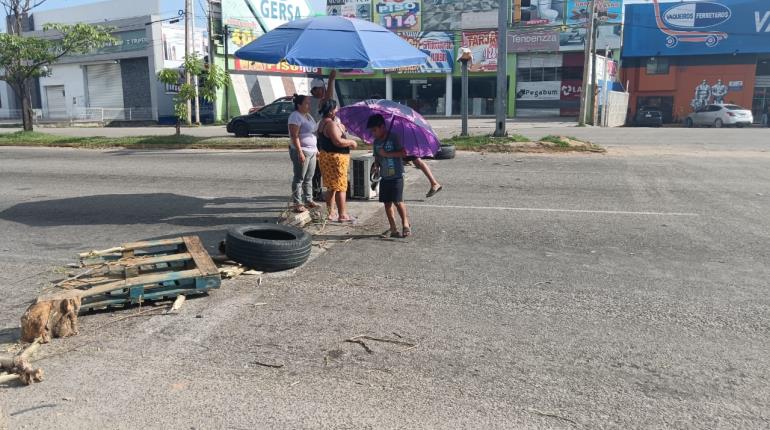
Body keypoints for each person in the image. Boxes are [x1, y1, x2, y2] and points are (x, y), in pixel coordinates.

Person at [368, 114, 411, 238]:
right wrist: (376, 165)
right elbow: (377, 156)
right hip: (385, 177)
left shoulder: (393, 138)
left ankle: (405, 223)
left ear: (382, 127)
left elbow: (403, 153)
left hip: (397, 176)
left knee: (398, 201)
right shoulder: (376, 142)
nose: (373, 133)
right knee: (387, 203)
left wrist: (387, 154)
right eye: (372, 131)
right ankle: (393, 227)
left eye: (375, 130)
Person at [317, 99, 358, 222]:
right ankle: (342, 215)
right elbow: (338, 141)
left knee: (332, 187)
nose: (337, 110)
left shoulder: (323, 122)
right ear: (330, 111)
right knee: (341, 187)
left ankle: (331, 213)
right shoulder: (330, 124)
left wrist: (340, 127)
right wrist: (351, 142)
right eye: (335, 108)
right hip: (336, 159)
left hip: (328, 157)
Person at [287, 94, 319, 213]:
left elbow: (313, 133)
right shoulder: (295, 116)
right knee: (299, 178)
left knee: (309, 177)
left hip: (312, 150)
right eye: (306, 103)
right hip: (301, 151)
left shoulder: (308, 116)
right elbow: (294, 136)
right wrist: (300, 151)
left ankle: (309, 200)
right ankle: (297, 203)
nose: (309, 105)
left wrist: (316, 149)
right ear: (299, 105)